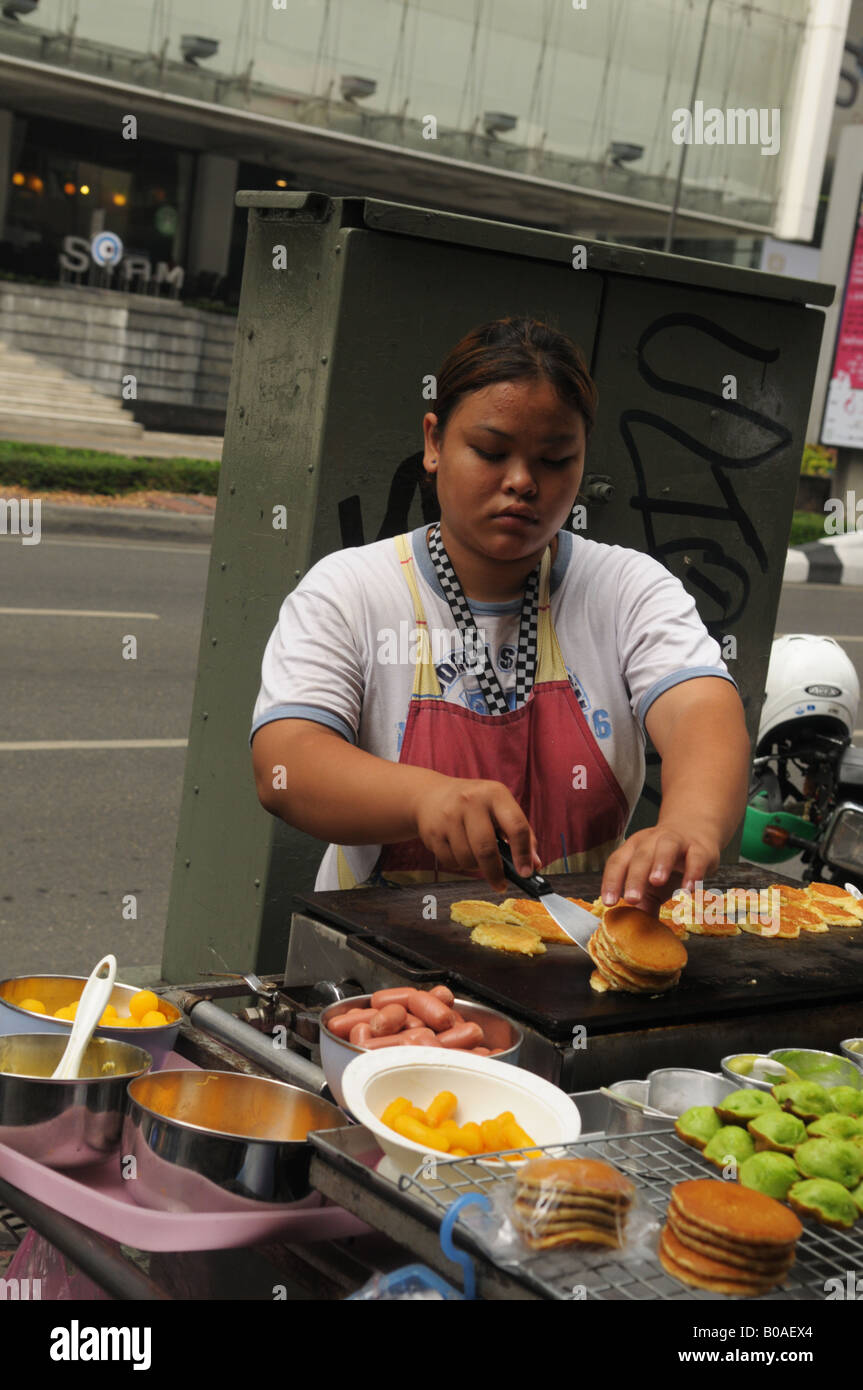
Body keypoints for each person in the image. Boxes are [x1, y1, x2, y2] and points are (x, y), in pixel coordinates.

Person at [250, 316, 750, 913]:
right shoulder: (351, 590)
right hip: (387, 966)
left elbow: (701, 709)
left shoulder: (625, 588)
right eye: (490, 452)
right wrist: (422, 798)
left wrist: (689, 827)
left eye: (556, 459)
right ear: (434, 443)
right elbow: (285, 762)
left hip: (579, 952)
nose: (522, 482)